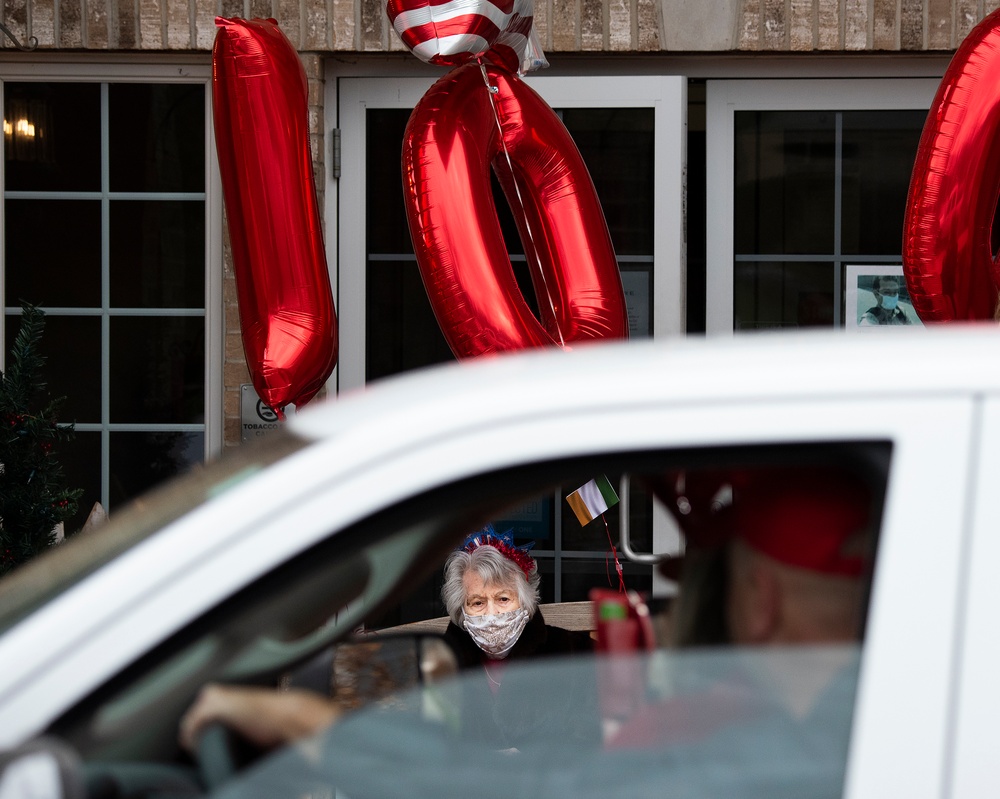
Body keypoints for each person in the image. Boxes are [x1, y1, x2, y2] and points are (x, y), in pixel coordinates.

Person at [439, 525, 597, 750]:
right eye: (477, 602)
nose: (492, 613)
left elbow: (592, 738)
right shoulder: (441, 665)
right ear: (461, 611)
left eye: (503, 599)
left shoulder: (572, 653)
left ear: (525, 602)